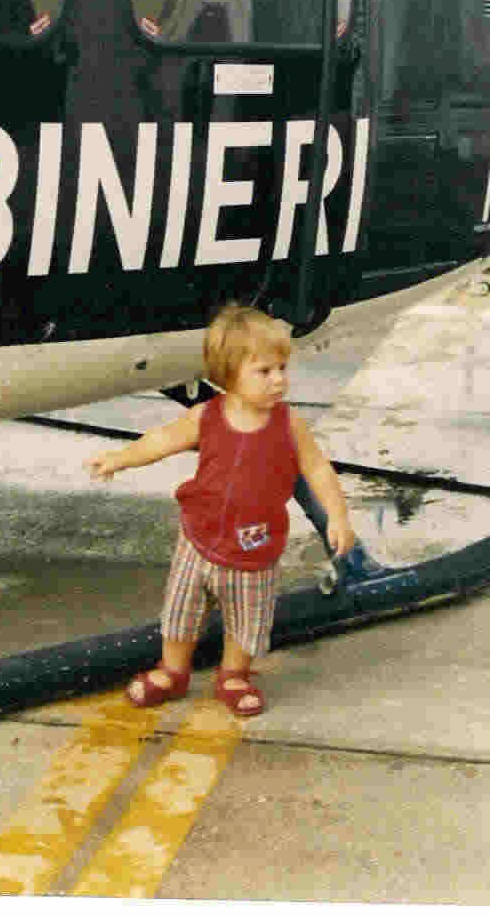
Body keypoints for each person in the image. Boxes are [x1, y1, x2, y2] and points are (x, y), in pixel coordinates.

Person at [86, 304, 356, 716]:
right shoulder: (206, 417)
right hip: (198, 540)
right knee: (180, 614)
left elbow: (318, 468)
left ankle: (233, 674)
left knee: (246, 623)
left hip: (254, 549)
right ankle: (172, 671)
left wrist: (337, 515)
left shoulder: (289, 425)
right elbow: (161, 440)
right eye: (264, 371)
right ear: (229, 374)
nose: (279, 380)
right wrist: (120, 458)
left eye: (282, 367)